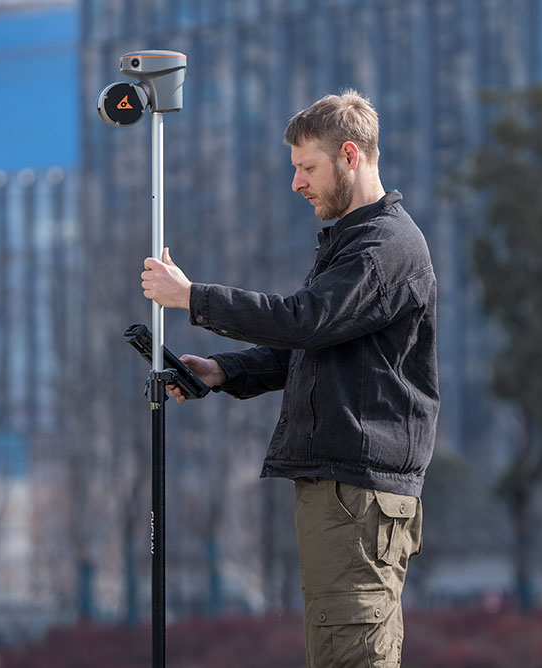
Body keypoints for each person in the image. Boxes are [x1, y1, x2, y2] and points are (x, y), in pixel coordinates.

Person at [140, 89, 439, 667]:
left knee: (349, 656)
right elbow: (314, 346)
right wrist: (227, 370)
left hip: (357, 495)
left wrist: (192, 298)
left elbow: (306, 320)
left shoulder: (381, 249)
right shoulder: (354, 244)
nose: (297, 183)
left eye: (308, 168)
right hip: (348, 494)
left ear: (349, 156)